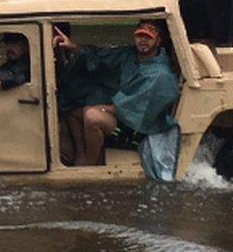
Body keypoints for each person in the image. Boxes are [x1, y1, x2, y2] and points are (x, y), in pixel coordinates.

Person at [54, 21, 179, 166]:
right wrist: (72, 46)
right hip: (118, 117)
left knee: (92, 116)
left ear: (158, 41)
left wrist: (103, 108)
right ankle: (82, 156)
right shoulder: (129, 54)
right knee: (71, 113)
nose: (143, 41)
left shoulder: (161, 75)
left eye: (149, 37)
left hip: (136, 130)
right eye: (139, 36)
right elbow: (100, 57)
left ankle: (90, 165)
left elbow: (135, 109)